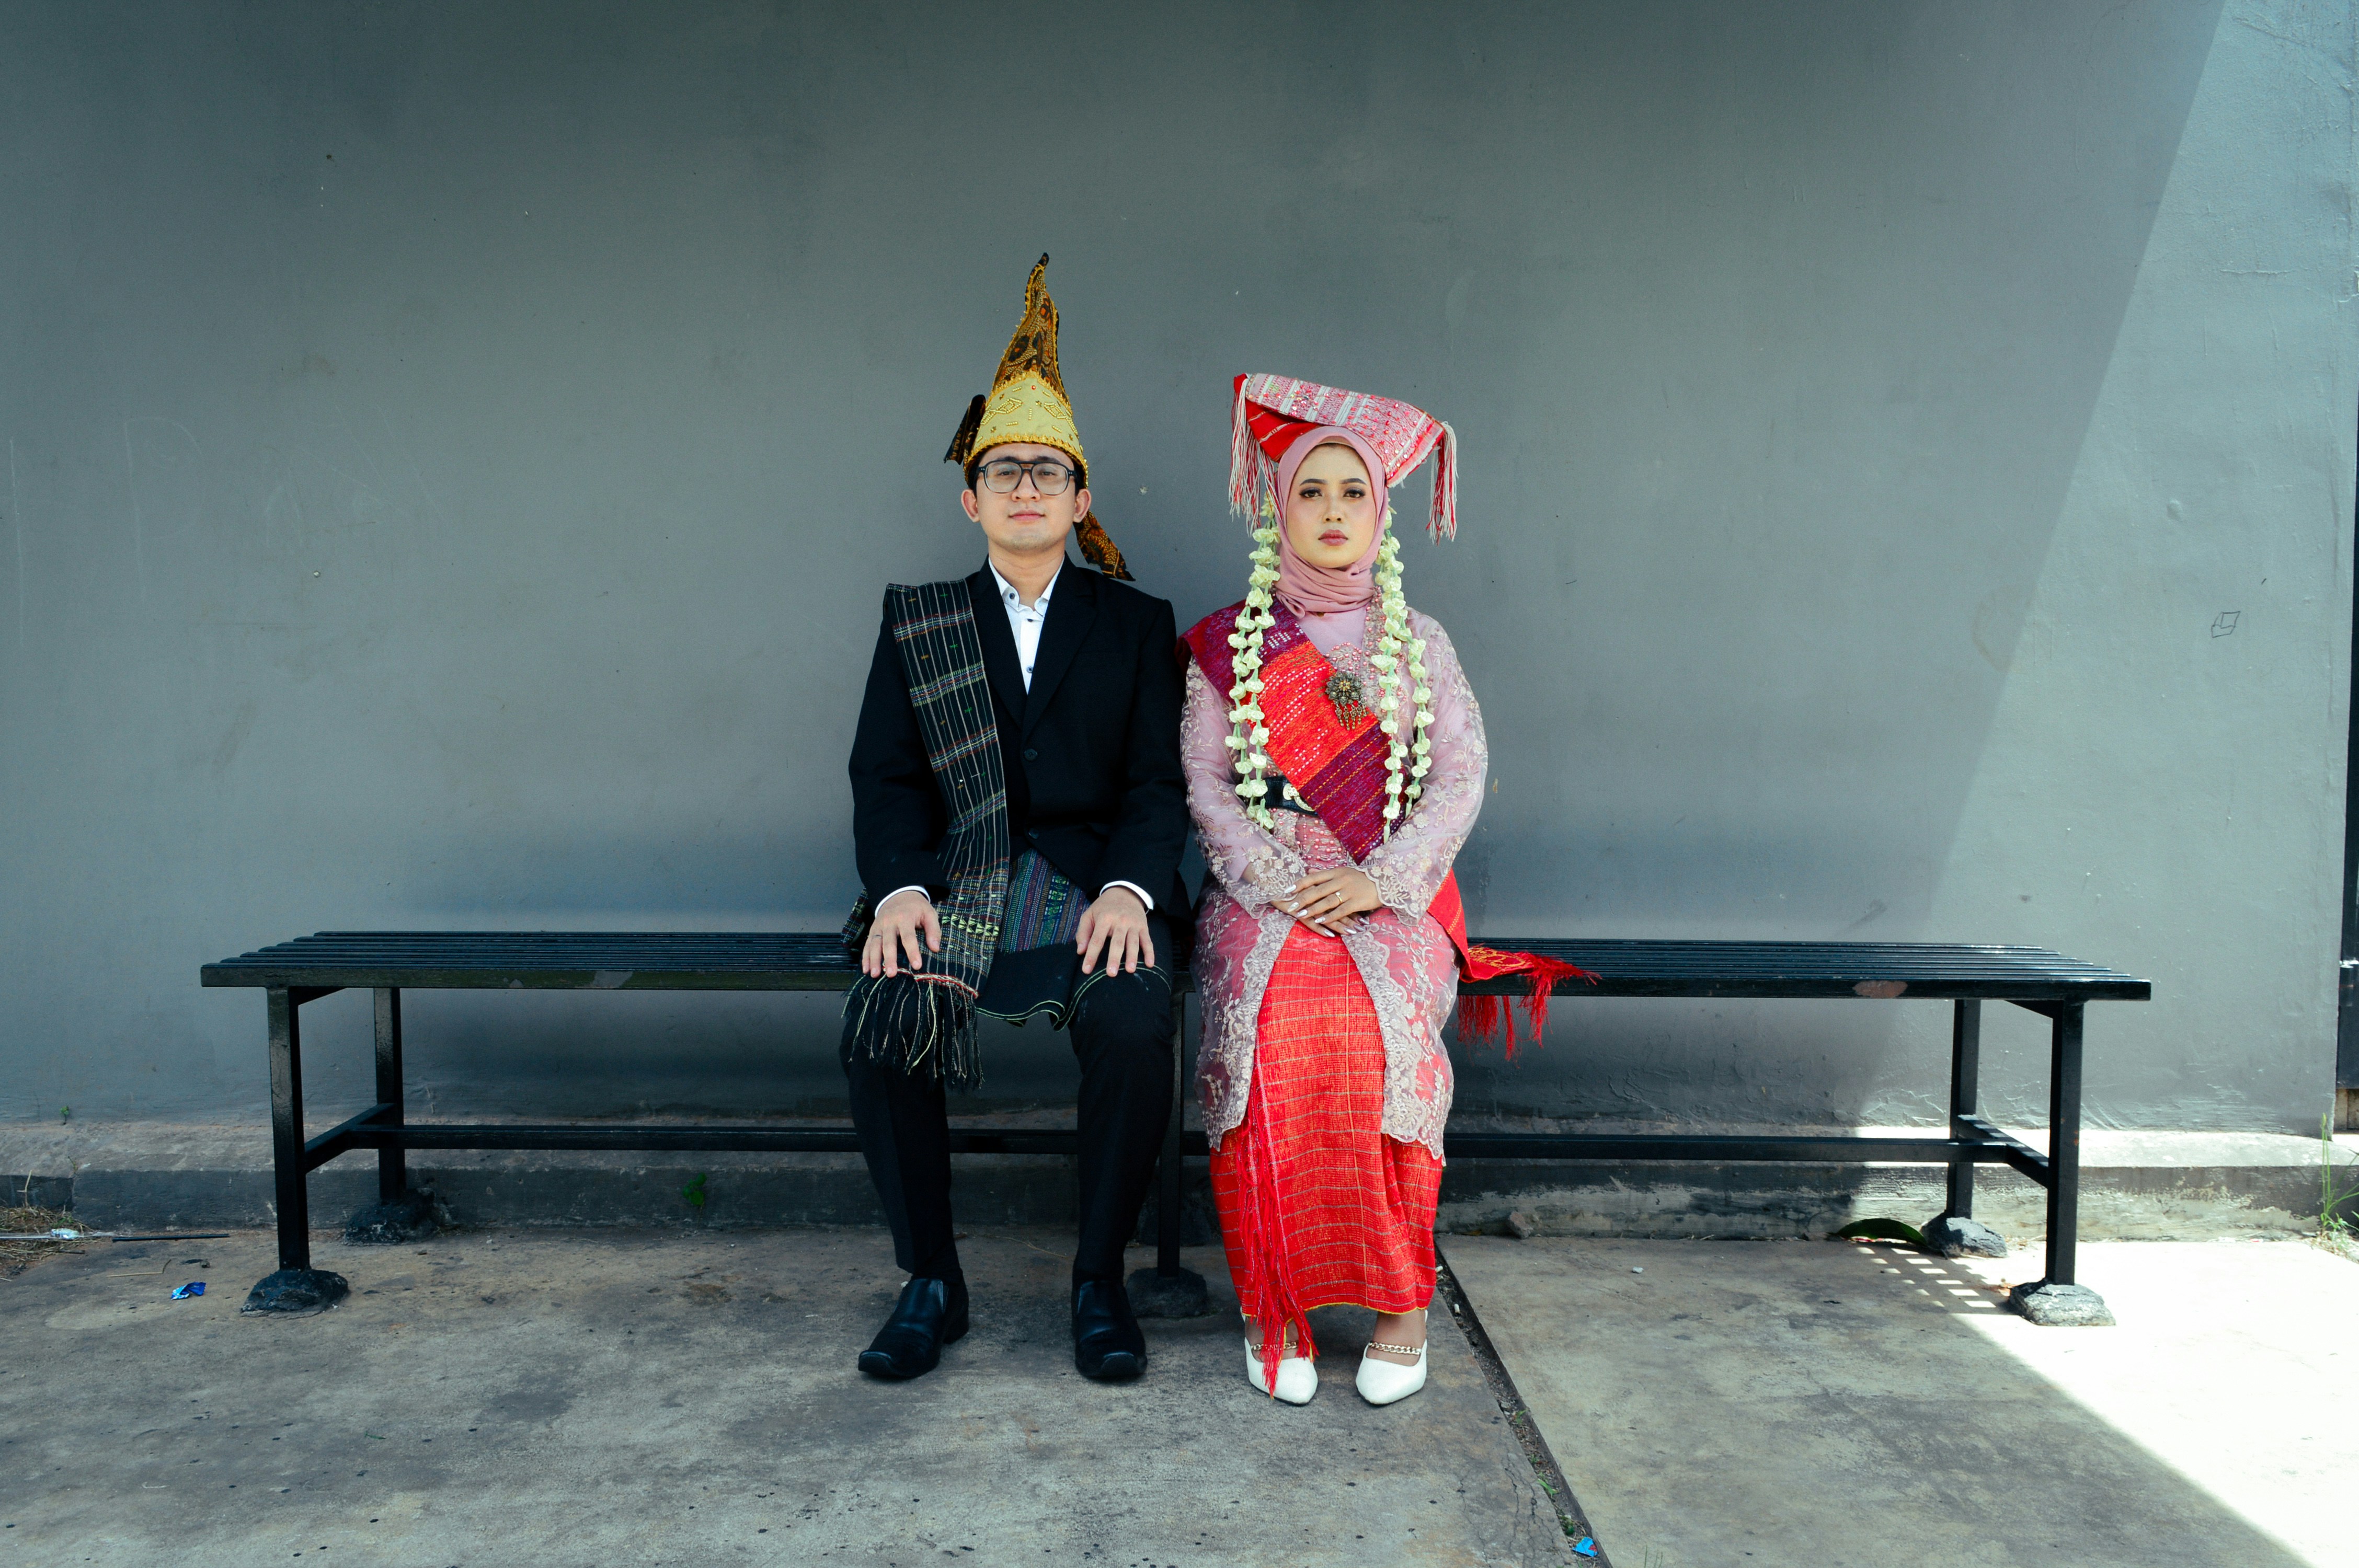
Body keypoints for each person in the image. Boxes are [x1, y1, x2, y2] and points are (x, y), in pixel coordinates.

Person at [1179, 373, 1579, 1406]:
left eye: (1351, 492)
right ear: (1279, 509)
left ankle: (1402, 1306)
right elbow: (1206, 785)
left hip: (1392, 901)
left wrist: (1381, 881)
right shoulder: (1230, 648)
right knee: (1273, 1035)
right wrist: (1278, 883)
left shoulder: (1421, 646)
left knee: (1373, 1041)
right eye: (1309, 491)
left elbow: (1459, 775)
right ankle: (1276, 1308)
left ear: (1381, 512)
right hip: (1265, 901)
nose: (1331, 511)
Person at [842, 257, 1189, 1384]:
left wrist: (1136, 890)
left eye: (1048, 471)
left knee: (1136, 1022)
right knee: (883, 1011)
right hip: (956, 882)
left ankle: (1098, 1279)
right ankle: (931, 1281)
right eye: (1004, 471)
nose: (1026, 488)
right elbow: (885, 777)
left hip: (1095, 882)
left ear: (1082, 499)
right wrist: (899, 890)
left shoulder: (1139, 628)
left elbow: (1156, 786)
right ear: (971, 497)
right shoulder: (921, 623)